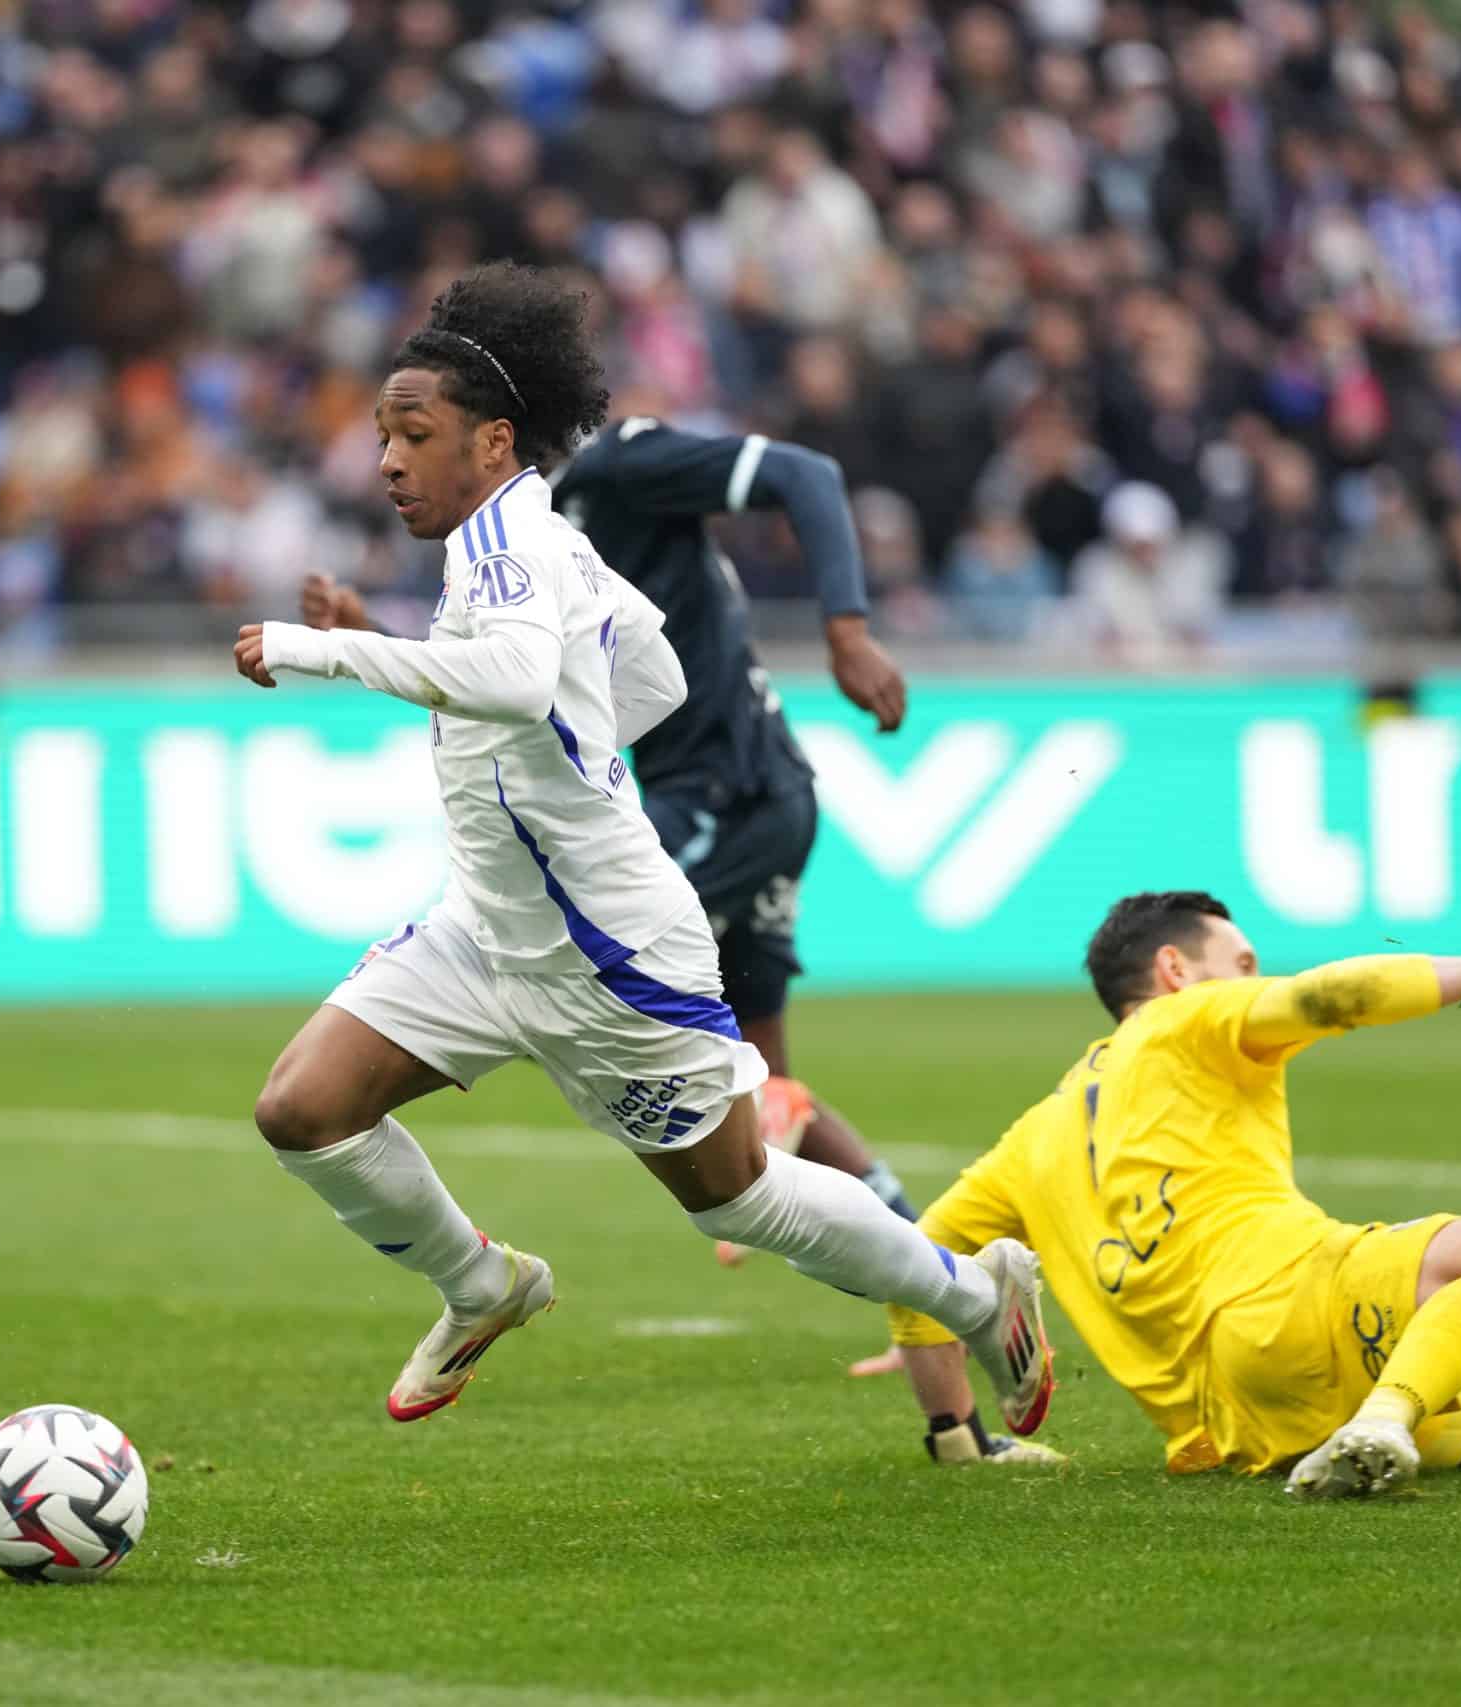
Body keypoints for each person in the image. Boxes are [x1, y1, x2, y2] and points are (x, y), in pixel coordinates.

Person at [229, 262, 1053, 1439]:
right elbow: (650, 673)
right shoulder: (520, 541)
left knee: (739, 1199)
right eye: (382, 436)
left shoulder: (514, 543)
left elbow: (516, 678)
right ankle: (480, 1285)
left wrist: (326, 653)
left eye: (414, 435)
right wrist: (570, 746)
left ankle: (977, 1296)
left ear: (493, 438)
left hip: (608, 957)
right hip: (490, 927)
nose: (388, 462)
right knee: (303, 1108)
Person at [881, 890, 1461, 1497]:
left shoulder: (1033, 1136)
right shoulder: (1189, 1016)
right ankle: (1389, 1416)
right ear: (1172, 969)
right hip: (1292, 1300)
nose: (1254, 979)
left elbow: (913, 1262)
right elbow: (1338, 993)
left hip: (1238, 1425)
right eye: (1242, 962)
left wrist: (957, 1431)